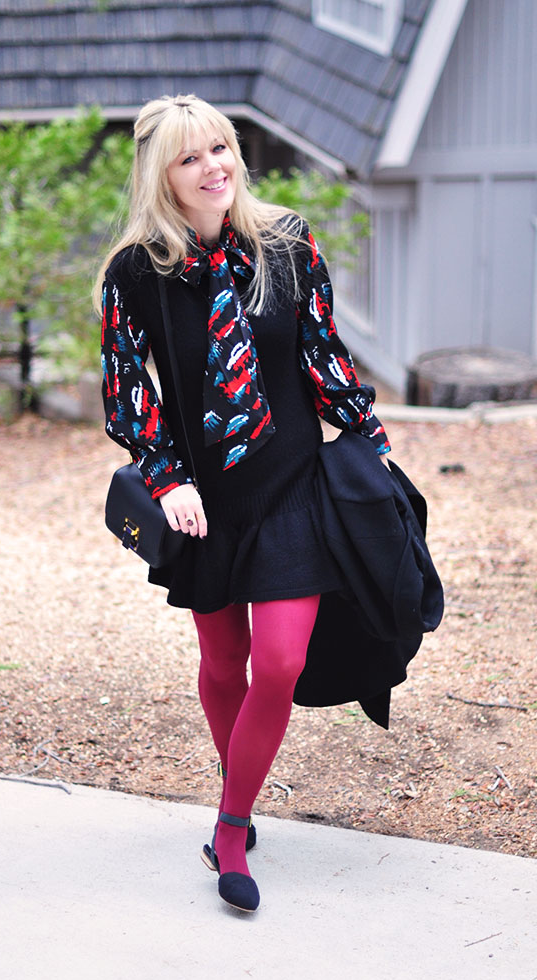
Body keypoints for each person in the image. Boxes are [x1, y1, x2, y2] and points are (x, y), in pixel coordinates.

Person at [93, 94, 391, 913]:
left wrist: (367, 430)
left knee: (281, 663)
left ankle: (231, 825)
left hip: (291, 488)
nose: (214, 167)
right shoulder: (137, 273)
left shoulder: (287, 246)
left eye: (221, 148)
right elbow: (128, 390)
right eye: (191, 158)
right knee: (224, 661)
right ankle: (239, 785)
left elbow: (321, 347)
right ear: (164, 174)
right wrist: (164, 476)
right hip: (204, 501)